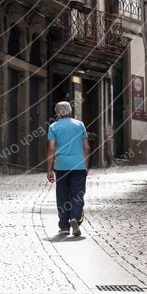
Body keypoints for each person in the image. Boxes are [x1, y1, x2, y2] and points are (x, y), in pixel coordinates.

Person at [46, 101, 90, 237]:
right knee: (77, 194)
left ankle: (64, 226)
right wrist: (86, 165)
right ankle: (75, 218)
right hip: (79, 165)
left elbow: (52, 148)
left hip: (62, 166)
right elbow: (86, 147)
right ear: (70, 111)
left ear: (57, 113)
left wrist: (49, 170)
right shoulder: (80, 125)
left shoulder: (53, 127)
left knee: (62, 195)